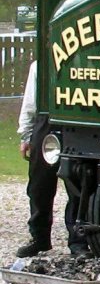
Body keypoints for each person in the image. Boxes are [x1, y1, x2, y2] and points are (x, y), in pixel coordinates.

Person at [15, 61, 88, 258]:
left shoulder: (83, 61)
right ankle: (39, 236)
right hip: (46, 120)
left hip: (77, 120)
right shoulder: (40, 65)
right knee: (39, 186)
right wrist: (26, 135)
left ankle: (79, 241)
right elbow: (31, 100)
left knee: (77, 184)